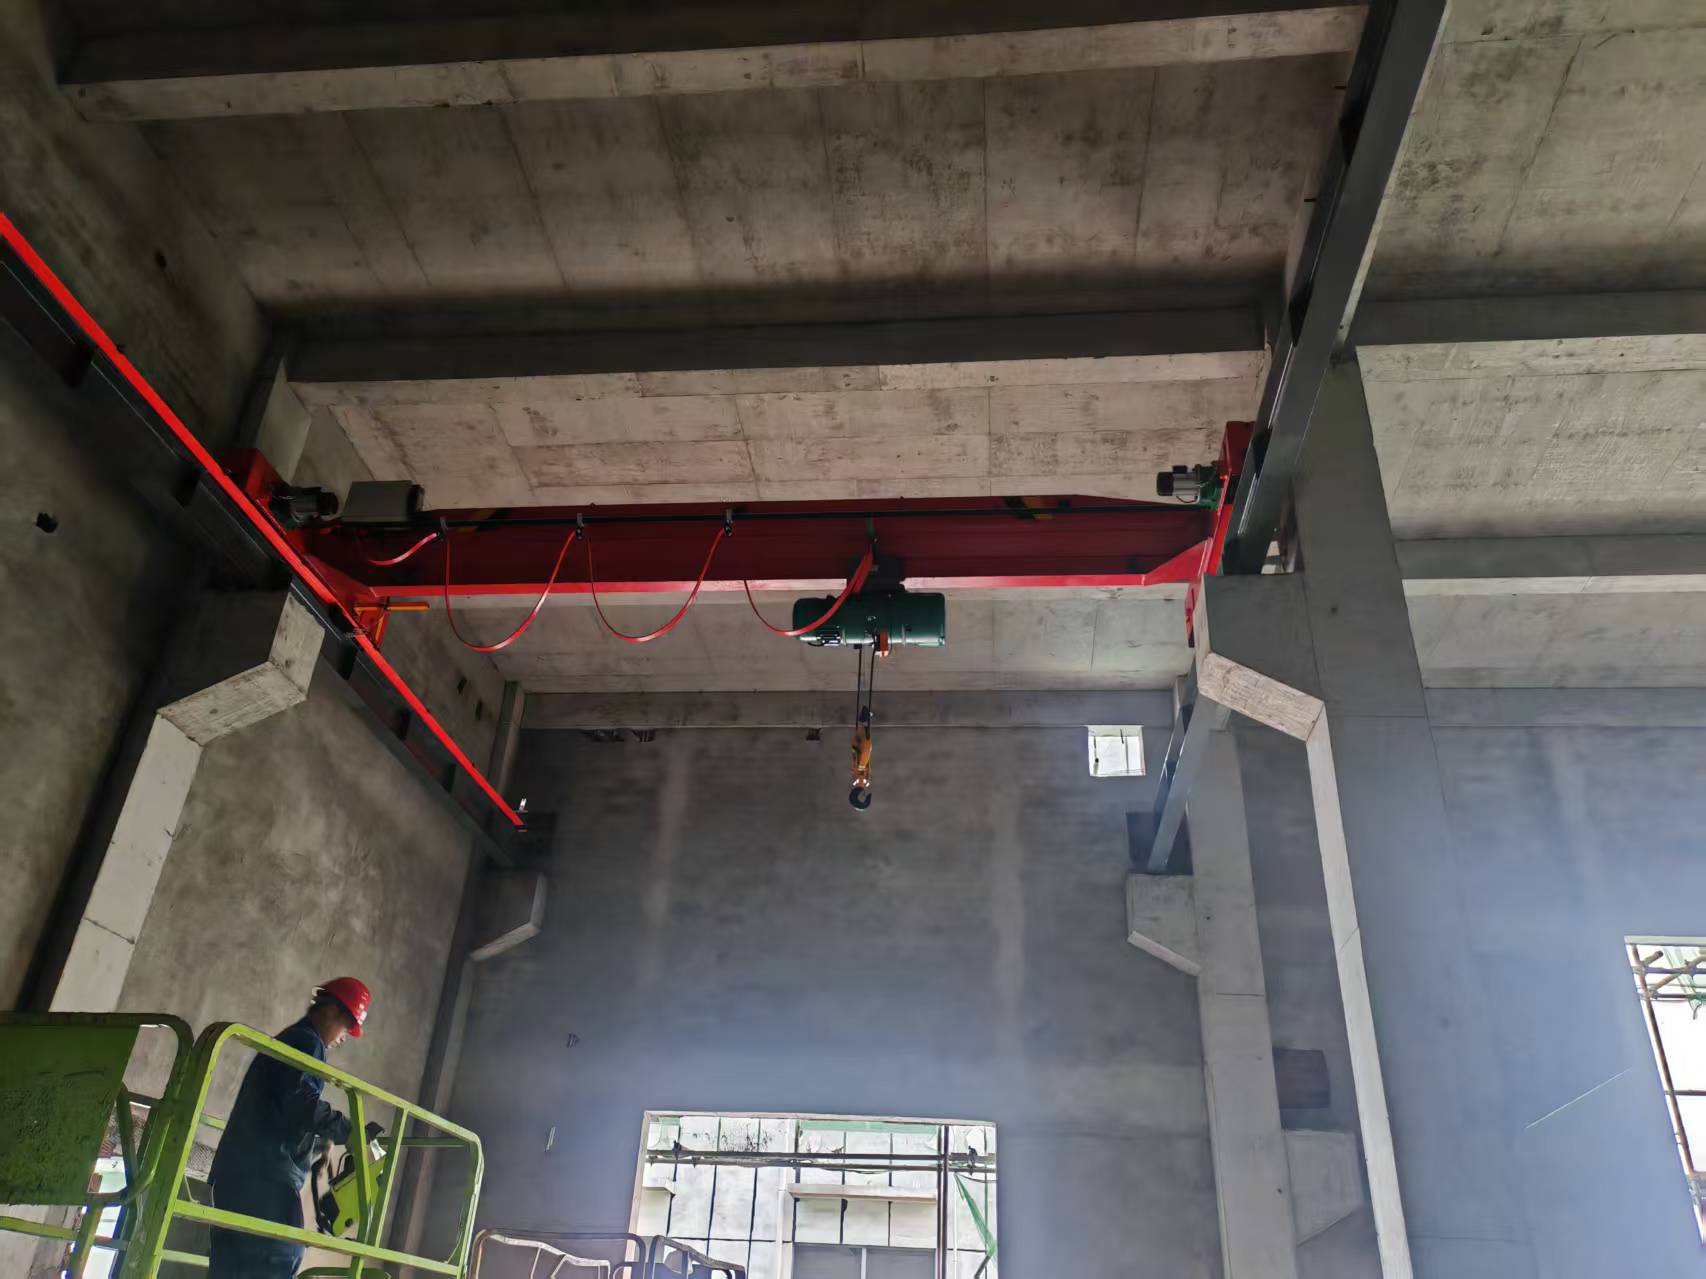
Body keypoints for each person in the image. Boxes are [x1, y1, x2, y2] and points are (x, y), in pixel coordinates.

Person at [207, 978, 372, 1277]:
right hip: (265, 1177)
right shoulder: (308, 1042)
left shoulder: (291, 1039)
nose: (345, 1037)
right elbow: (300, 1102)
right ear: (331, 1010)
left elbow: (281, 1107)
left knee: (232, 1268)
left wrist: (318, 1142)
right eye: (347, 1026)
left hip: (237, 1175)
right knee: (280, 1255)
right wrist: (349, 1131)